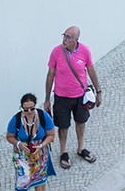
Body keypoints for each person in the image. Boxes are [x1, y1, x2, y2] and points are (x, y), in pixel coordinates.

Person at [44, 25, 103, 167]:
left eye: (68, 37)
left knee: (81, 122)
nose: (65, 39)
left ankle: (81, 148)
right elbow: (50, 75)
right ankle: (63, 151)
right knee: (62, 126)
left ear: (76, 39)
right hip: (61, 96)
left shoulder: (84, 51)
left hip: (80, 95)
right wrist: (47, 99)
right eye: (64, 35)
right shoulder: (56, 52)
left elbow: (91, 70)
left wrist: (98, 91)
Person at [6, 93, 58, 191]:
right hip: (23, 156)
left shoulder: (43, 116)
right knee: (22, 182)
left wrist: (42, 145)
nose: (29, 111)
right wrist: (19, 144)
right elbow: (10, 136)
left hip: (39, 154)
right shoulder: (16, 119)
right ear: (22, 108)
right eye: (26, 109)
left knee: (41, 179)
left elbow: (51, 135)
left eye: (32, 108)